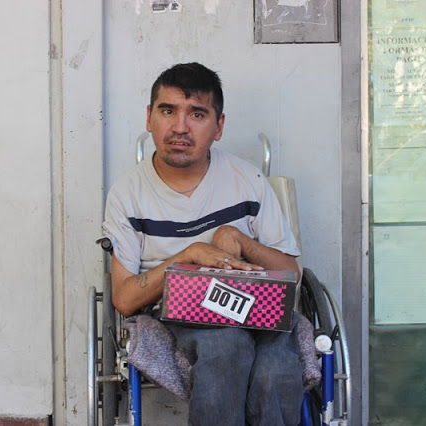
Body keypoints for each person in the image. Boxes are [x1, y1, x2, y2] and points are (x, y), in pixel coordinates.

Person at [102, 62, 304, 426]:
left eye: (197, 114)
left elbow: (291, 274)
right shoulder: (127, 195)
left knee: (276, 366)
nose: (180, 127)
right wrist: (191, 255)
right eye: (168, 111)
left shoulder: (248, 181)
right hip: (181, 310)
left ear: (219, 126)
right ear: (149, 117)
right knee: (226, 346)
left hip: (256, 305)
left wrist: (240, 240)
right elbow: (125, 299)